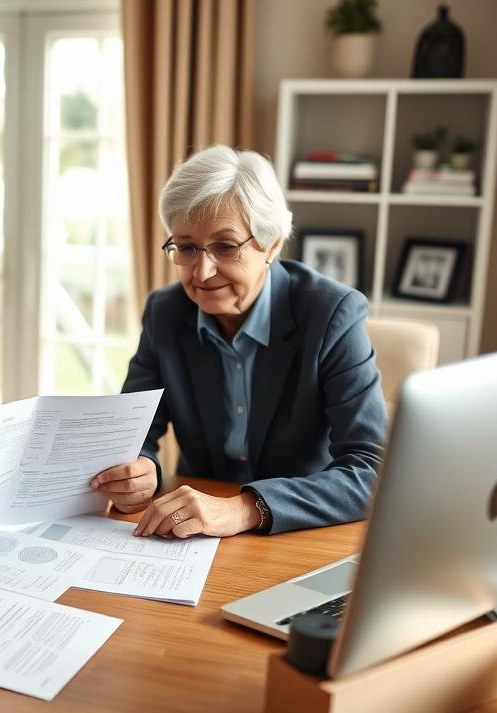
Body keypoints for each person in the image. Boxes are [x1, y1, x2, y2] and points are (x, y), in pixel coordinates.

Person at [91, 145, 386, 537]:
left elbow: (372, 470)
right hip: (194, 534)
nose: (202, 272)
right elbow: (134, 437)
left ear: (272, 244)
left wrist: (246, 508)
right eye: (187, 247)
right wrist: (140, 473)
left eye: (226, 247)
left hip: (302, 533)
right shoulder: (165, 313)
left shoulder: (332, 315)